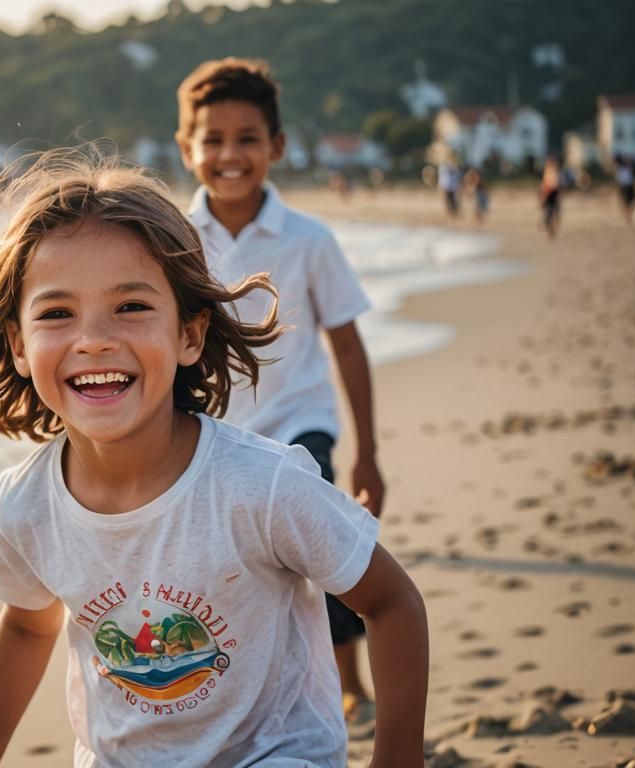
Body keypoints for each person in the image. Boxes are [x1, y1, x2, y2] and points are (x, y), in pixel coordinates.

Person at [0, 149, 428, 768]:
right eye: (57, 313)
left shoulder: (262, 485)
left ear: (189, 334)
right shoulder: (25, 504)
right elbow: (29, 626)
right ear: (19, 345)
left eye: (132, 306)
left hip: (273, 756)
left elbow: (391, 602)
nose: (93, 338)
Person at [173, 57, 386, 725]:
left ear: (278, 147)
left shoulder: (309, 239)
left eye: (247, 138)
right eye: (213, 139)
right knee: (221, 572)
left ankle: (349, 679)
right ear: (187, 148)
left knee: (322, 553)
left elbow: (347, 346)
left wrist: (368, 454)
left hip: (301, 424)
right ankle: (233, 689)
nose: (230, 154)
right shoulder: (172, 240)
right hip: (213, 433)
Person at [540, 155, 563, 239]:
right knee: (550, 211)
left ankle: (551, 227)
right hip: (549, 192)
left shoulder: (554, 171)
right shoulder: (549, 170)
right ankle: (549, 227)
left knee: (554, 211)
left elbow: (556, 183)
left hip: (553, 192)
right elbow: (545, 184)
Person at [615, 155, 635, 224]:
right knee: (627, 202)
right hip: (625, 187)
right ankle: (628, 216)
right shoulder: (621, 169)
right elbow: (620, 181)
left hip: (629, 186)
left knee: (632, 201)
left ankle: (628, 215)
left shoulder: (627, 168)